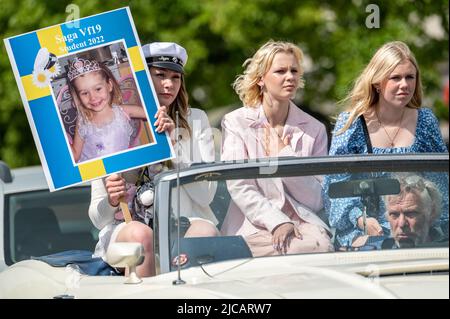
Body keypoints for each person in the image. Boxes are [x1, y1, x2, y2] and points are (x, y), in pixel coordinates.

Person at [89, 42, 218, 277]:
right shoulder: (109, 124)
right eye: (160, 75)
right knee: (140, 236)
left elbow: (205, 195)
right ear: (142, 78)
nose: (169, 84)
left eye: (176, 78)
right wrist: (111, 200)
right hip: (125, 231)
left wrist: (175, 145)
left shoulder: (196, 119)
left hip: (180, 227)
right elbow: (98, 219)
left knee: (206, 232)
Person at [325, 41, 448, 248]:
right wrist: (361, 220)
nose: (404, 85)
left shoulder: (425, 120)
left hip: (416, 226)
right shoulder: (353, 123)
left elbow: (441, 184)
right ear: (377, 83)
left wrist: (434, 225)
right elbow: (335, 186)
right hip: (367, 227)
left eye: (410, 77)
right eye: (395, 78)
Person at [220, 40, 333, 257]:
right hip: (253, 225)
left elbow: (317, 199)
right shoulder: (235, 122)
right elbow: (239, 186)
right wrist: (277, 222)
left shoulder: (315, 128)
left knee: (317, 248)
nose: (290, 77)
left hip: (304, 224)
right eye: (280, 71)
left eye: (294, 71)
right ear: (261, 78)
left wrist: (284, 155)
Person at [67, 58, 147, 163]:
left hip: (122, 166)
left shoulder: (122, 112)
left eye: (98, 89)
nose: (93, 98)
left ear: (109, 85)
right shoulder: (83, 120)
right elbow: (75, 156)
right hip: (94, 173)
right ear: (78, 96)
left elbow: (153, 113)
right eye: (85, 93)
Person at [351, 174, 445, 250]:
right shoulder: (373, 252)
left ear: (432, 212)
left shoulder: (445, 248)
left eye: (411, 213)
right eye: (394, 214)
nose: (401, 223)